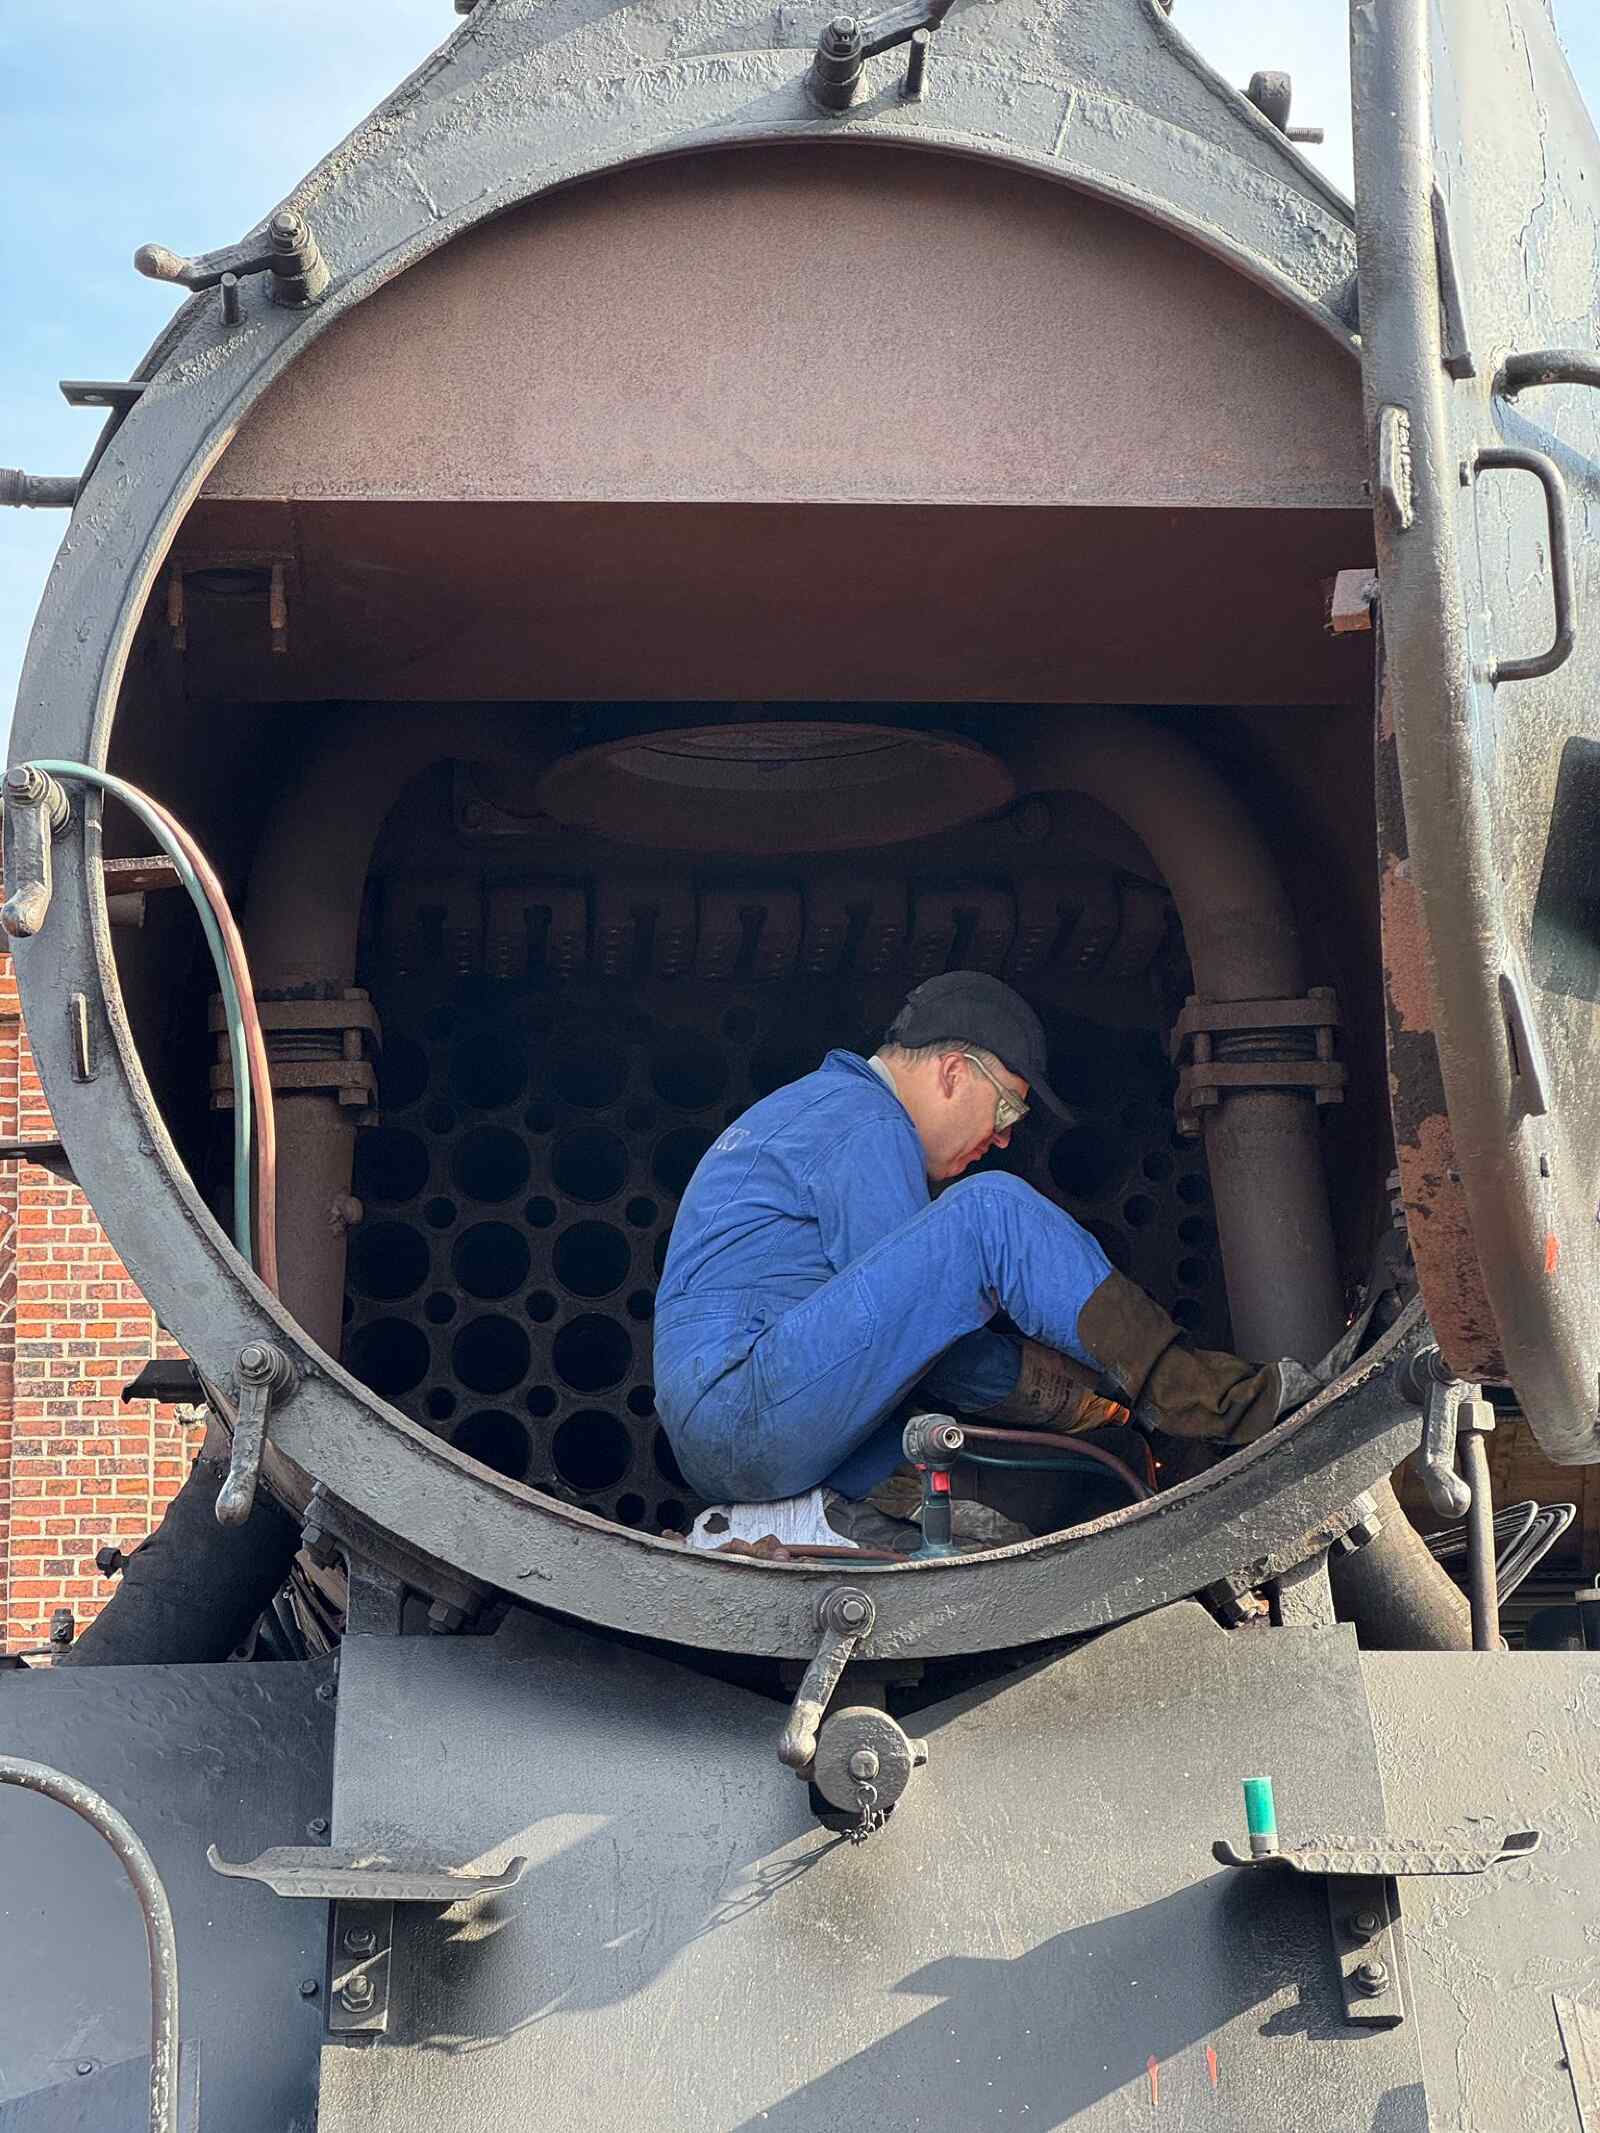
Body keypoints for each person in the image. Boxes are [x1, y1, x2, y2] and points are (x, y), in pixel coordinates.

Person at [652, 972, 1295, 1545]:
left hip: (747, 1419)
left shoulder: (818, 1110)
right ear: (954, 1072)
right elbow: (936, 1353)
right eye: (1008, 1106)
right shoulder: (864, 1119)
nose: (1005, 1137)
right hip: (745, 1402)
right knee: (990, 1213)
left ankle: (837, 1523)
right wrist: (1071, 1393)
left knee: (1027, 1509)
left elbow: (890, 1341)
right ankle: (1222, 1402)